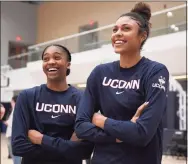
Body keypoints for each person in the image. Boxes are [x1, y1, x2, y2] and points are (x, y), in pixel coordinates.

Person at [75, 2, 169, 164]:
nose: (117, 33)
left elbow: (142, 134)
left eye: (126, 29)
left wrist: (100, 121)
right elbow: (81, 127)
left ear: (143, 35)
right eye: (115, 29)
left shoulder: (155, 72)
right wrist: (120, 135)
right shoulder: (100, 73)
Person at [12, 44, 94, 164]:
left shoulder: (82, 99)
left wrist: (41, 139)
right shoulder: (27, 97)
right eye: (46, 59)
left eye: (57, 57)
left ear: (68, 64)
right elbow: (18, 146)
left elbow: (85, 150)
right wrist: (67, 147)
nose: (50, 62)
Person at [4, 95, 21, 164]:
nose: (11, 103)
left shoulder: (16, 110)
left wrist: (7, 122)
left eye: (11, 101)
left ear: (14, 102)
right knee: (14, 154)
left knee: (15, 154)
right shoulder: (16, 109)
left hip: (13, 135)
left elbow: (14, 123)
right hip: (13, 135)